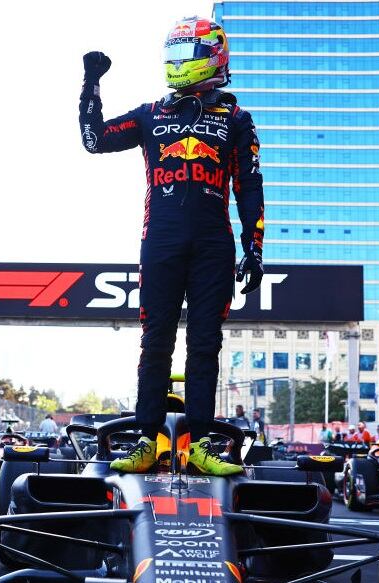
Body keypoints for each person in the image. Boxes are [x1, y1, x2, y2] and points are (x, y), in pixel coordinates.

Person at [80, 16, 263, 477]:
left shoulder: (237, 119)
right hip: (160, 241)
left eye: (188, 54)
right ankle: (147, 441)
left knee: (205, 344)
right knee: (155, 340)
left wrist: (255, 247)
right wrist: (91, 83)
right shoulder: (150, 114)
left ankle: (201, 443)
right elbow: (94, 140)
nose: (179, 62)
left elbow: (249, 186)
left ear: (213, 56)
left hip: (214, 246)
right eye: (174, 54)